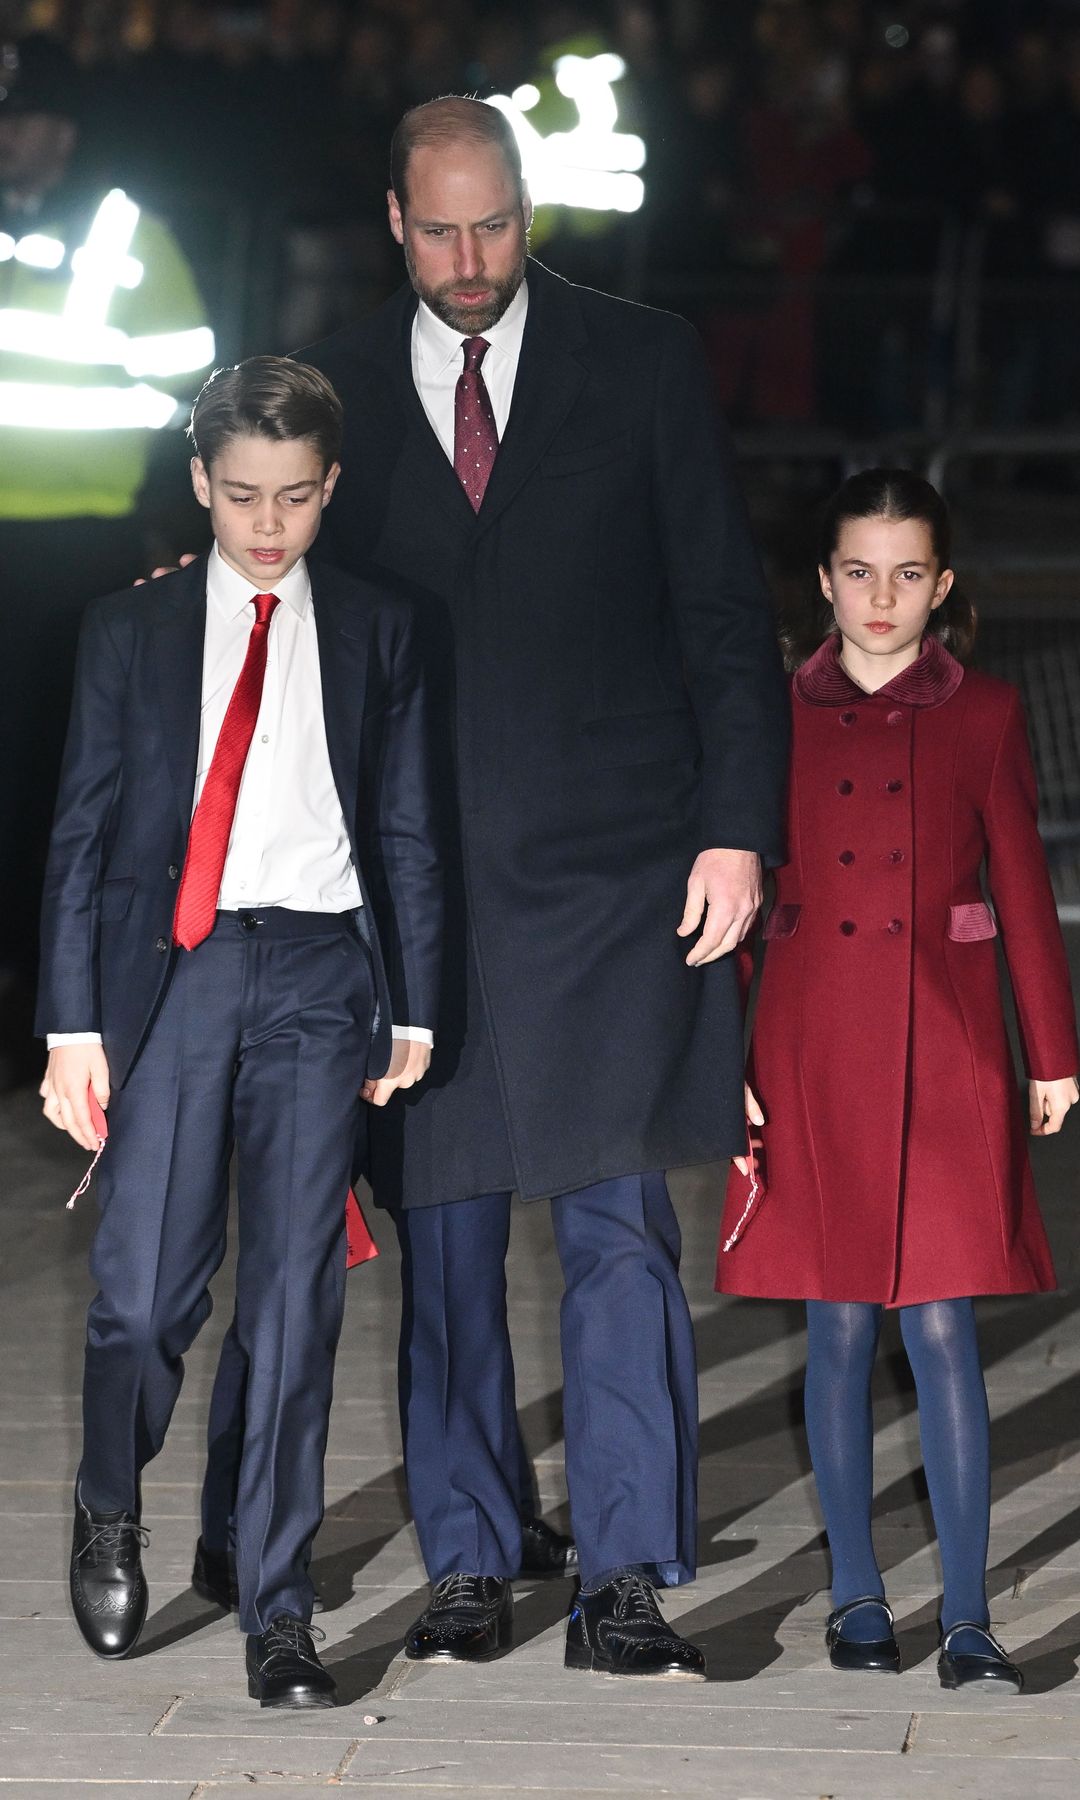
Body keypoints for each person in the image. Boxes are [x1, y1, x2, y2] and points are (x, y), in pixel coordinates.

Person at [293, 96, 789, 1676]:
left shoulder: (639, 360)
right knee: (441, 1232)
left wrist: (738, 827)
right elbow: (273, 592)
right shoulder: (337, 390)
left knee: (617, 1229)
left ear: (531, 212)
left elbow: (722, 608)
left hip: (614, 871)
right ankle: (473, 1554)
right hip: (420, 889)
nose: (468, 261)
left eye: (493, 226)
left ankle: (627, 1571)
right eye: (437, 231)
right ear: (392, 222)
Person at [35, 356, 442, 1707]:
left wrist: (415, 999)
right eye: (245, 496)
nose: (269, 527)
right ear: (203, 482)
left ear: (331, 489)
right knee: (145, 1296)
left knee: (296, 1302)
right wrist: (70, 1023)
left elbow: (404, 826)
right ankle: (108, 1501)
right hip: (182, 976)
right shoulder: (129, 631)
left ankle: (275, 1603)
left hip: (323, 976)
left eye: (298, 499)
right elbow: (82, 839)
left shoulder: (381, 629)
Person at [716, 468, 1079, 1693]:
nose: (882, 597)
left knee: (943, 1327)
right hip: (808, 1045)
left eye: (908, 573)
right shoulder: (771, 710)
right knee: (833, 1323)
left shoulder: (982, 711)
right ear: (822, 581)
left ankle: (970, 1617)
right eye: (858, 572)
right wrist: (728, 1060)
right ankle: (860, 1597)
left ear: (944, 585)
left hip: (948, 1048)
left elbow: (1023, 883)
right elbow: (732, 900)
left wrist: (1056, 1054)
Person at [0, 36, 215, 1073]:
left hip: (81, 548)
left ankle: (57, 1005)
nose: (6, 137)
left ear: (64, 131)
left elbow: (188, 375)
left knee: (64, 782)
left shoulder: (121, 233)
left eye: (21, 118)